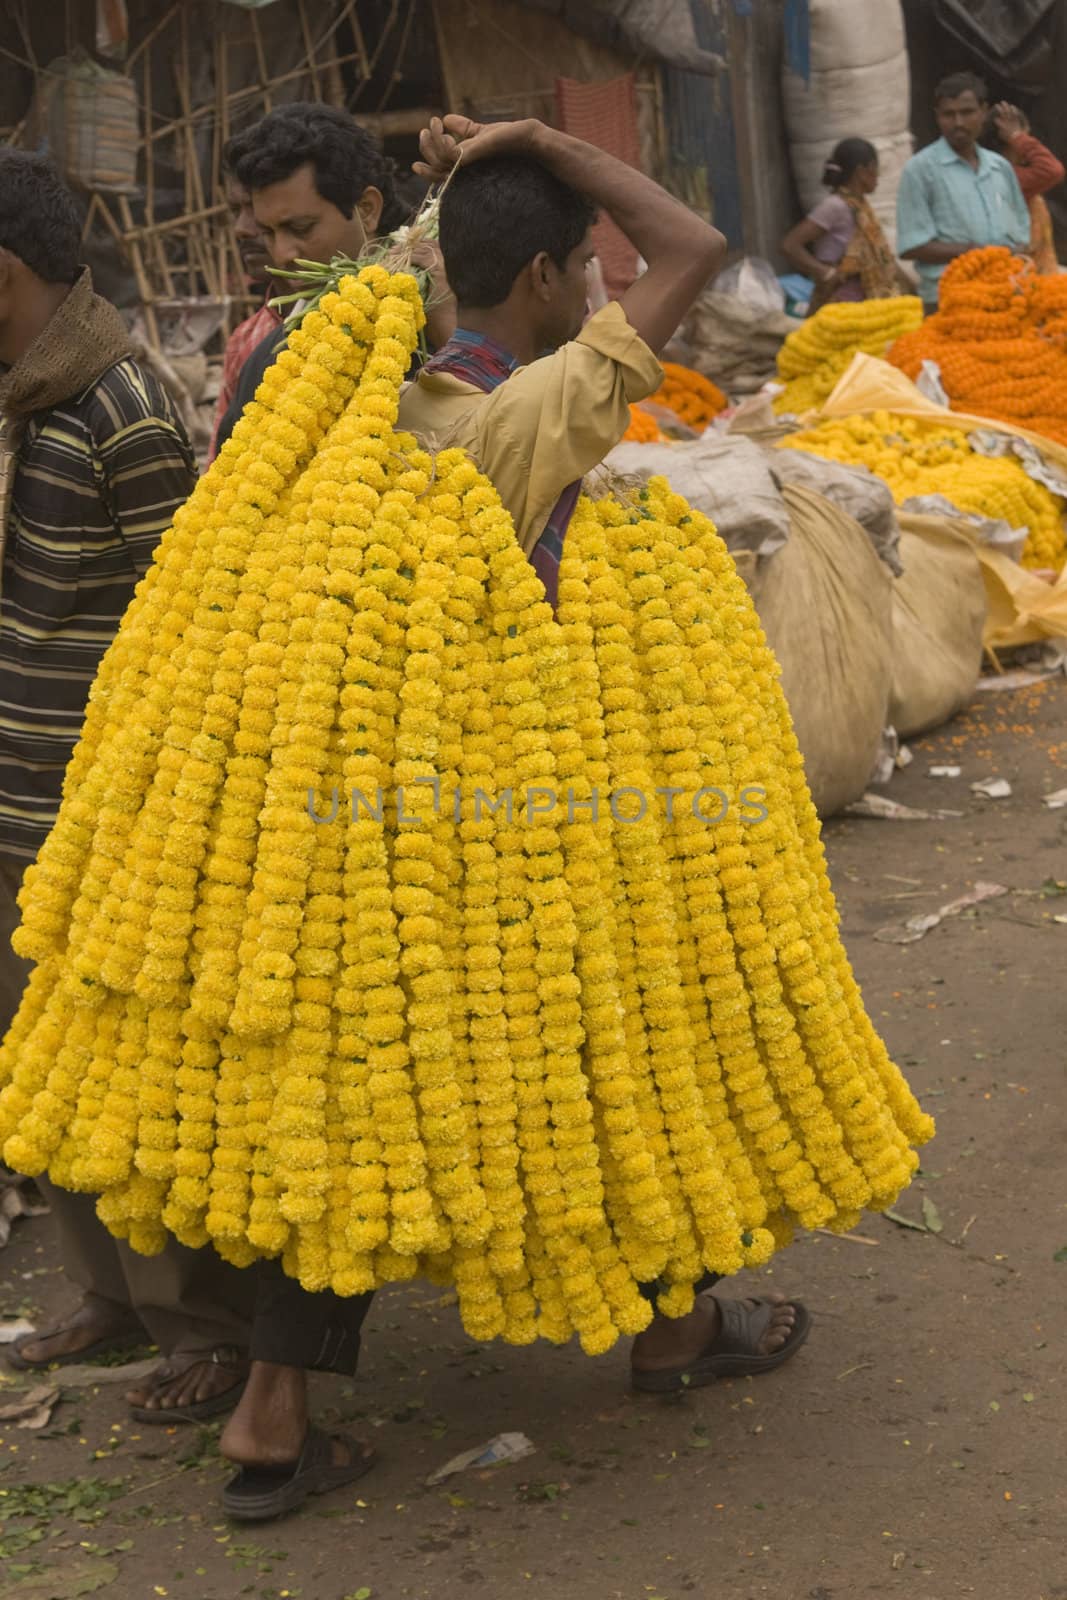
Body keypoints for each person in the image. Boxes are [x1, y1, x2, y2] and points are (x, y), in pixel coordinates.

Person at [215, 113, 810, 1523]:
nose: (600, 291)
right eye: (576, 274)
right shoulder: (532, 413)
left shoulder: (363, 402)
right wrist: (542, 133)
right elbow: (694, 244)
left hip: (360, 817)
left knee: (347, 1092)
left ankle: (269, 1413)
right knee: (617, 1049)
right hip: (515, 820)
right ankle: (668, 1330)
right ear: (545, 278)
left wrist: (453, 202)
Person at [0, 149, 256, 1420]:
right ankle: (103, 1295)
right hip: (13, 803)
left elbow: (187, 624)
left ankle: (197, 1326)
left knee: (132, 1091)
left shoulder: (125, 414)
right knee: (37, 1078)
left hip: (96, 817)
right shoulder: (19, 403)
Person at [212, 103, 455, 456]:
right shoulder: (269, 361)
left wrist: (451, 335)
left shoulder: (455, 311)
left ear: (366, 209)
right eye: (268, 232)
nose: (280, 255)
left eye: (300, 228)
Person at [897, 70, 1031, 312]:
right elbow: (911, 245)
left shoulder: (999, 167)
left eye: (967, 112)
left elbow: (1021, 233)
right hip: (948, 300)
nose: (958, 122)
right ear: (937, 117)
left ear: (983, 112)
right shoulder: (920, 170)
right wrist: (976, 252)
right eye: (949, 114)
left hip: (1004, 293)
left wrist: (1008, 260)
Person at [208, 167, 281, 460]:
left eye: (255, 208)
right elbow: (220, 466)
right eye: (236, 209)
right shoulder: (245, 340)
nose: (242, 227)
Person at [782, 138, 901, 312]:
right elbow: (790, 245)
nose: (877, 177)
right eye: (875, 169)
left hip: (867, 304)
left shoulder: (860, 207)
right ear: (861, 172)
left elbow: (882, 257)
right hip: (839, 305)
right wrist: (825, 273)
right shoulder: (835, 206)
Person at [990, 100, 1064, 275]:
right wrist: (1017, 136)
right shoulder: (1005, 178)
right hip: (1022, 281)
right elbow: (1052, 170)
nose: (1028, 145)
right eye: (1026, 139)